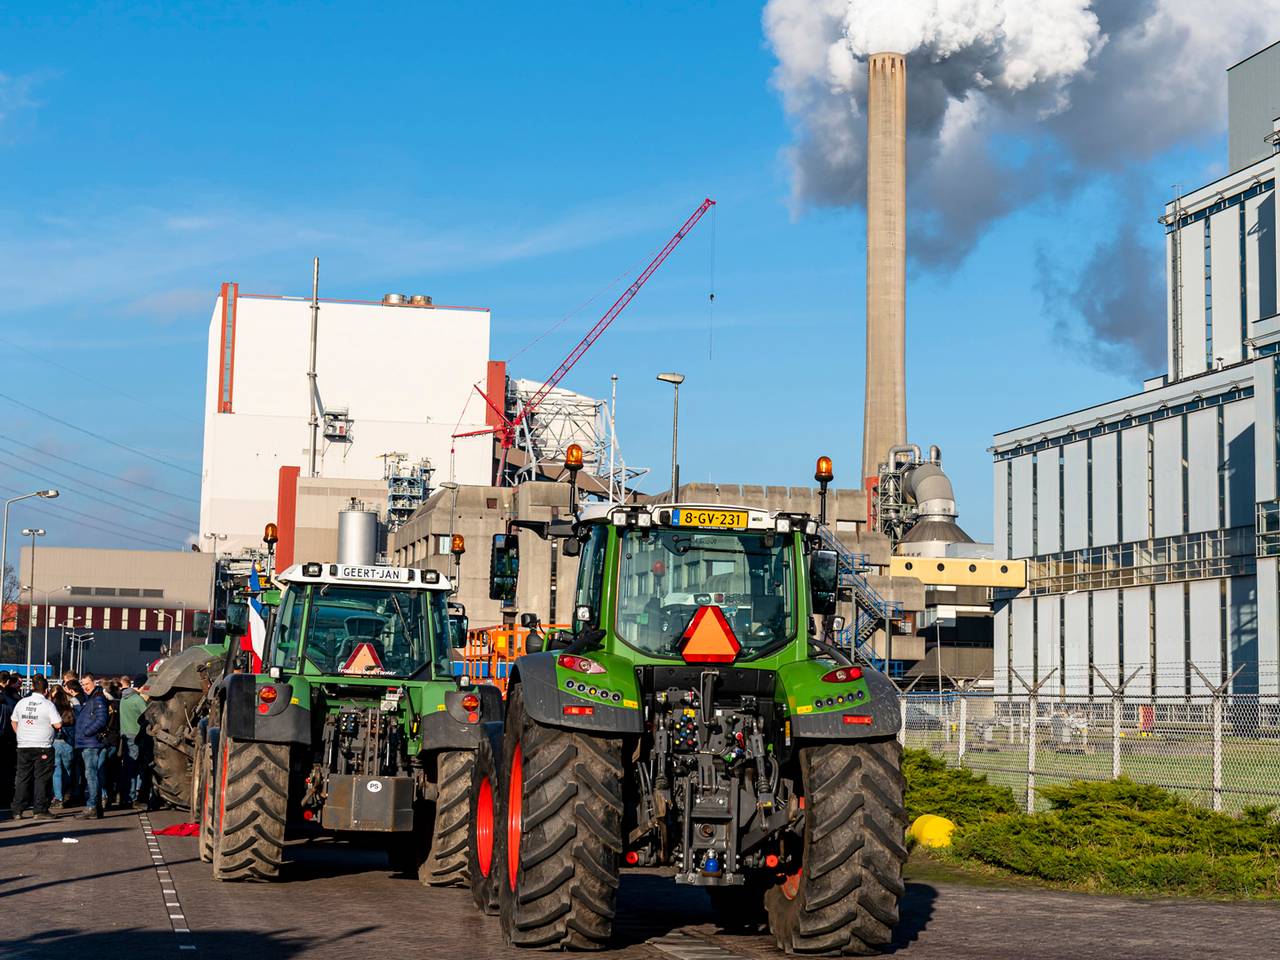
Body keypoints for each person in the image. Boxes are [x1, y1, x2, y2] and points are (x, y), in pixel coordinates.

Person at [9, 676, 62, 820]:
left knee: (22, 778)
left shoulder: (22, 702)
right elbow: (58, 724)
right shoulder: (48, 705)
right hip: (42, 745)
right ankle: (39, 809)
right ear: (46, 691)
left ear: (32, 687)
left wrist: (21, 733)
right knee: (41, 778)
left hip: (23, 745)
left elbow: (13, 721)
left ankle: (17, 809)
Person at [74, 673, 109, 819]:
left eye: (87, 684)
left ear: (93, 682)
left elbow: (102, 720)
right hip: (89, 742)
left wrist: (86, 732)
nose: (84, 687)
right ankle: (96, 806)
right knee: (94, 774)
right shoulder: (92, 698)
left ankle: (92, 806)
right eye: (82, 684)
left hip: (91, 743)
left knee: (91, 774)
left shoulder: (97, 698)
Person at [117, 676, 149, 809]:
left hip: (125, 734)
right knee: (135, 768)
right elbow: (148, 716)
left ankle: (124, 797)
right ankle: (132, 797)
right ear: (142, 686)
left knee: (127, 768)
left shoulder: (124, 698)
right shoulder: (137, 699)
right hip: (136, 736)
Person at [50, 685, 77, 808]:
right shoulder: (70, 711)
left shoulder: (52, 710)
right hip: (68, 743)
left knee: (56, 771)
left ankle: (58, 797)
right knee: (68, 770)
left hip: (55, 742)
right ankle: (67, 793)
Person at [0, 671, 17, 814]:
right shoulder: (10, 698)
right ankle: (6, 798)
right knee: (7, 770)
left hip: (5, 736)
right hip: (7, 738)